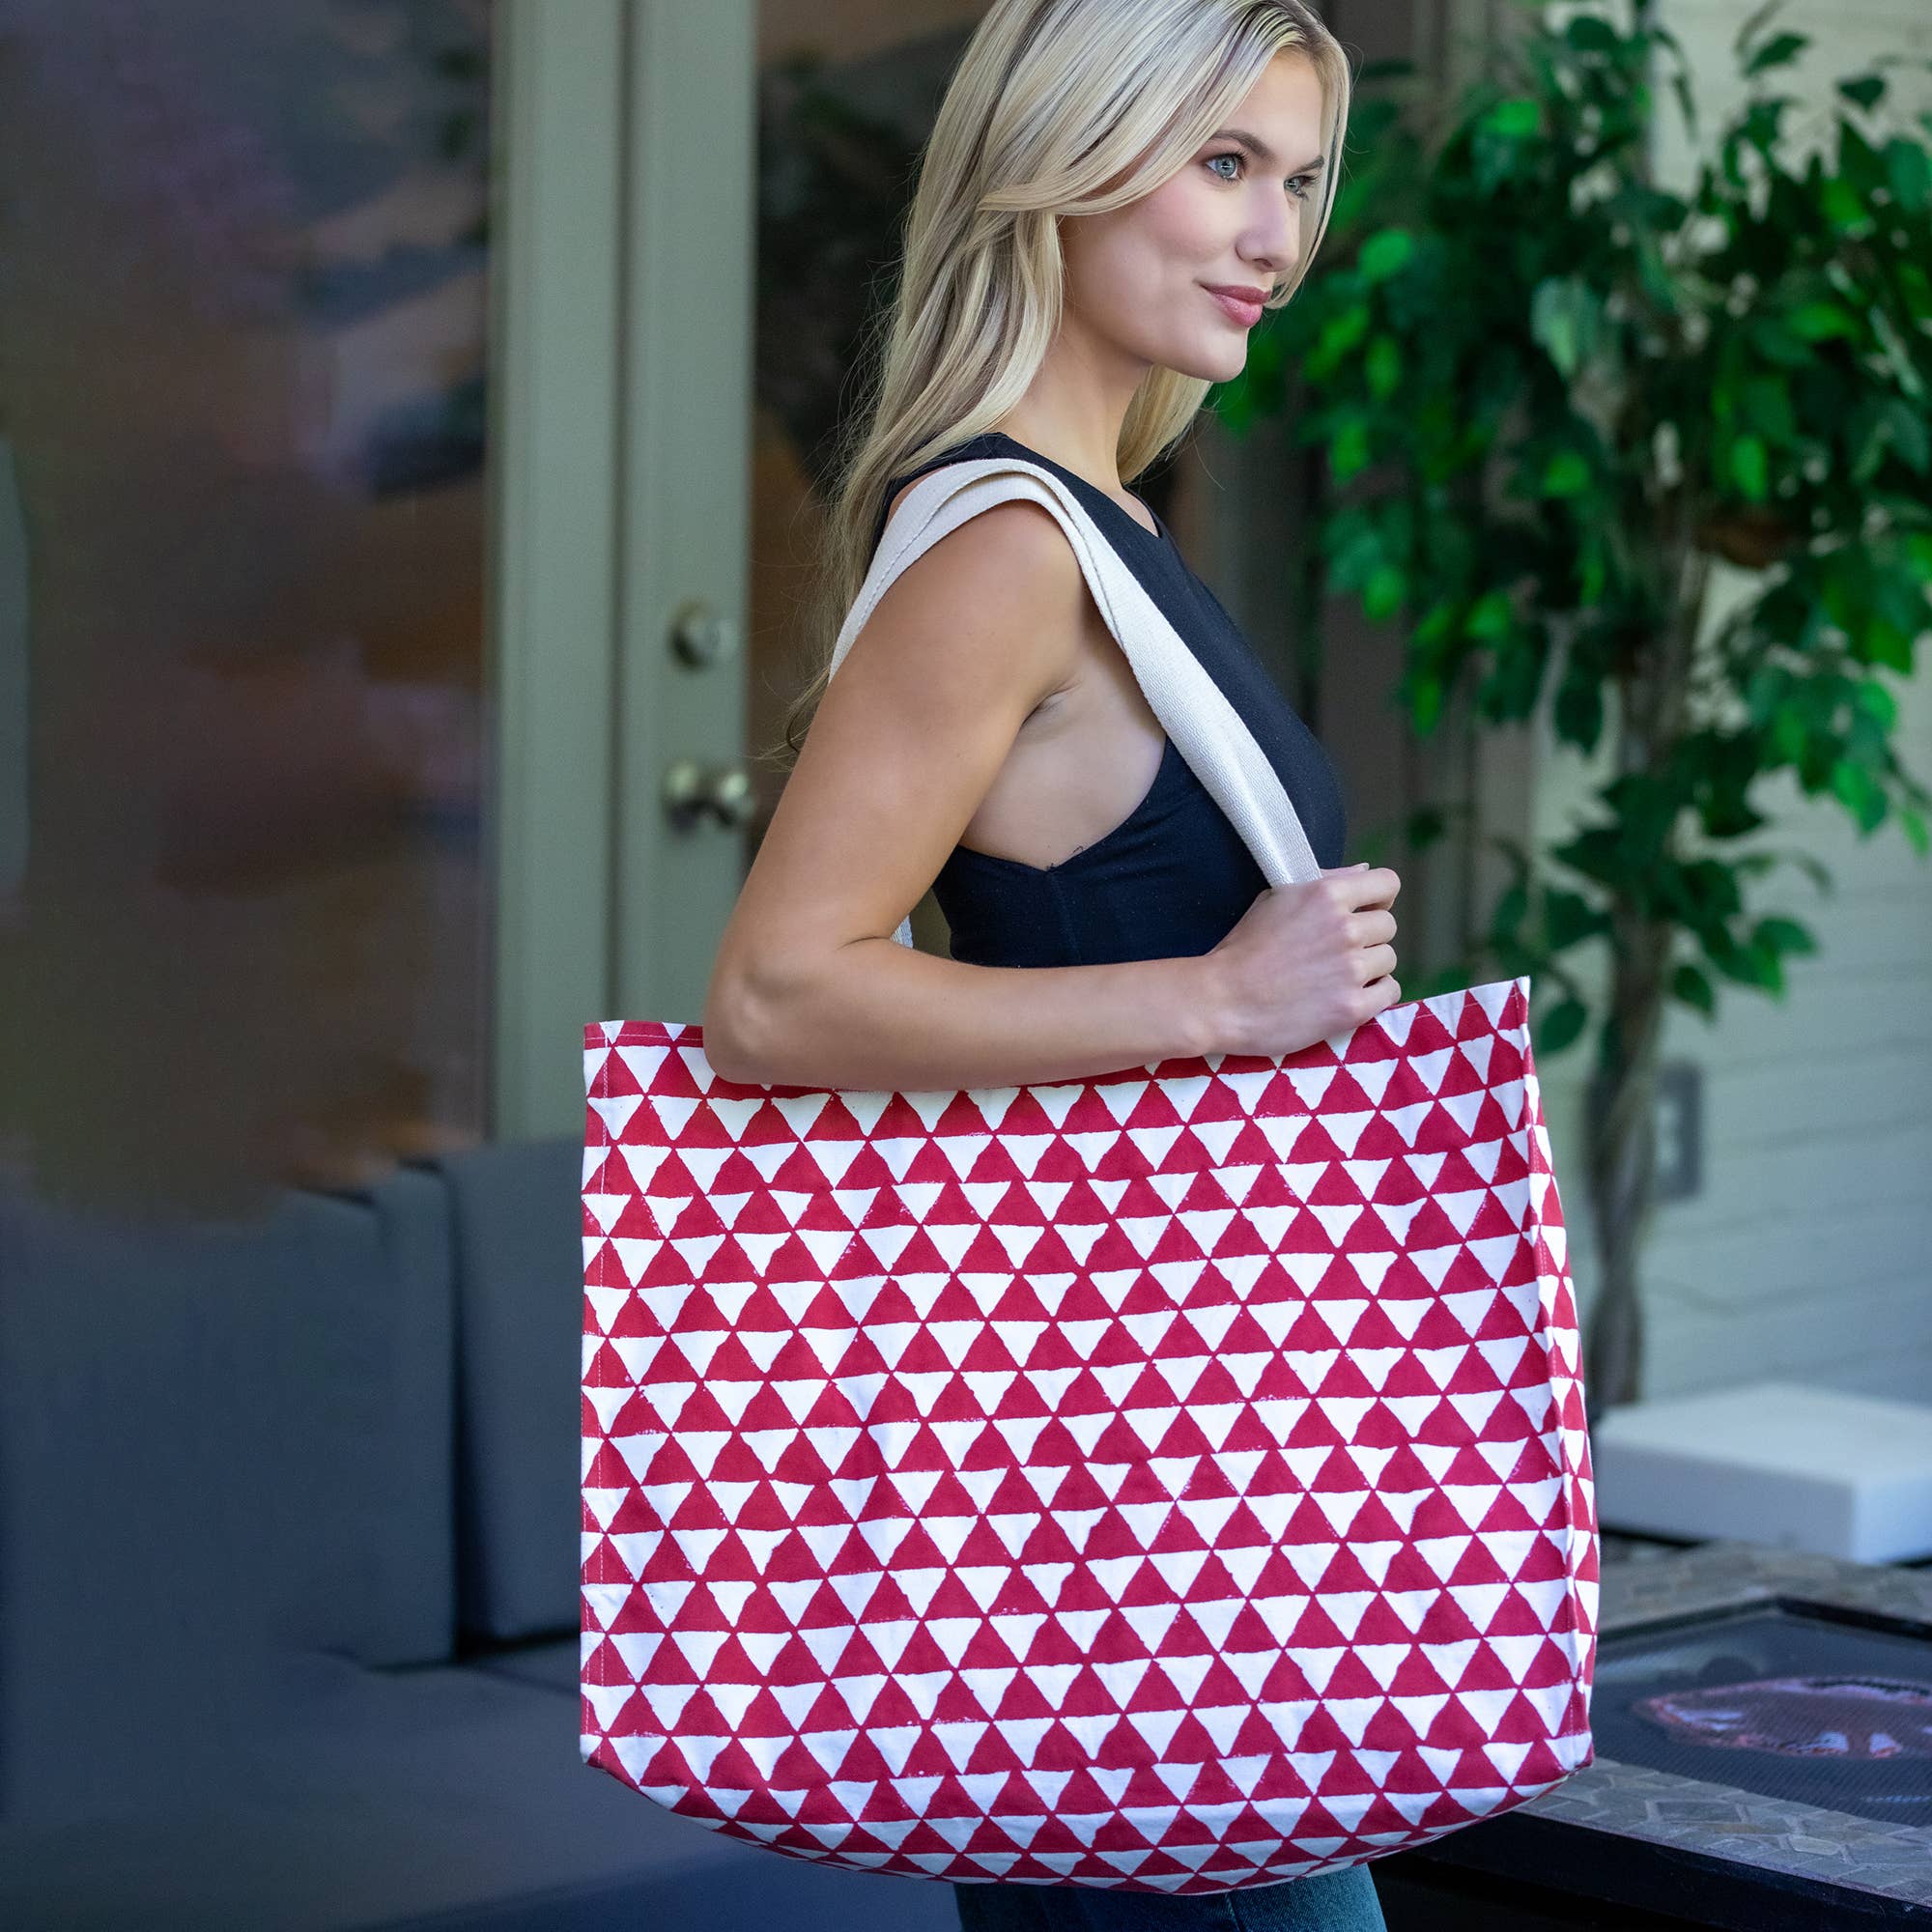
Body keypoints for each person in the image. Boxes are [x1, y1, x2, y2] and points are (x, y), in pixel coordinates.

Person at [705, 2, 1401, 1925]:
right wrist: (1215, 1000)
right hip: (1125, 1503)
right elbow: (770, 995)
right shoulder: (1004, 544)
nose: (1278, 234)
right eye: (1225, 165)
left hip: (1159, 1479)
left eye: (1301, 181)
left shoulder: (1099, 528)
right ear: (1066, 166)